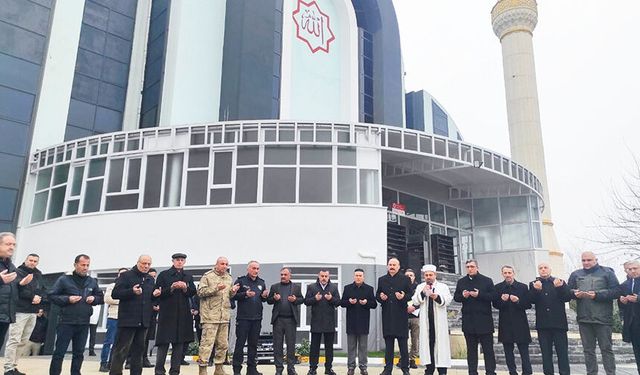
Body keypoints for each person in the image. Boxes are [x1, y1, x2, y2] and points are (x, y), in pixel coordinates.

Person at [48, 254, 104, 375]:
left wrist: (94, 298)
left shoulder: (92, 281)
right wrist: (68, 299)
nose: (85, 267)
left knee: (79, 353)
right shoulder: (64, 280)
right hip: (66, 322)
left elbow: (101, 297)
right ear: (75, 265)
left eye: (87, 265)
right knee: (59, 353)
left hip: (84, 322)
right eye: (83, 265)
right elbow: (52, 296)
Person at [567, 251, 620, 375]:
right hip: (584, 318)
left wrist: (597, 295)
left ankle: (611, 373)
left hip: (603, 319)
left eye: (589, 260)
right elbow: (568, 292)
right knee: (588, 350)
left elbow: (617, 291)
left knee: (606, 349)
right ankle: (591, 373)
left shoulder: (607, 273)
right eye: (583, 260)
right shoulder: (576, 274)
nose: (586, 262)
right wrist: (574, 294)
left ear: (596, 259)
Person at [108, 255, 156, 375]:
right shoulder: (126, 276)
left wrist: (156, 296)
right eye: (143, 263)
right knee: (121, 351)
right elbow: (115, 294)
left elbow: (150, 299)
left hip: (143, 321)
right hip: (128, 320)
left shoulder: (150, 279)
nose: (146, 266)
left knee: (139, 352)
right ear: (137, 262)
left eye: (148, 264)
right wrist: (131, 292)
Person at [154, 253, 197, 375]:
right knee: (163, 344)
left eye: (182, 260)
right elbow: (157, 293)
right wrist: (171, 288)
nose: (179, 262)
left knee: (179, 344)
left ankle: (175, 371)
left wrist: (184, 288)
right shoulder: (164, 275)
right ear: (173, 261)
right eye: (177, 260)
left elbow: (192, 292)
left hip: (183, 314)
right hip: (167, 314)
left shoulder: (187, 276)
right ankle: (159, 371)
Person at [4, 253, 45, 375]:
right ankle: (8, 368)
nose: (32, 263)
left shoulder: (38, 274)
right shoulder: (17, 272)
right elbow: (16, 289)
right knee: (14, 339)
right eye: (30, 260)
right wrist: (32, 297)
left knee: (24, 340)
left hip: (32, 312)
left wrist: (39, 299)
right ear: (25, 260)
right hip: (20, 311)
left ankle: (14, 366)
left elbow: (41, 290)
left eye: (35, 261)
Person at [197, 257, 239, 375]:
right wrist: (216, 288)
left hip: (224, 316)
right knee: (207, 344)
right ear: (216, 264)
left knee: (223, 344)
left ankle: (219, 368)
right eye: (222, 264)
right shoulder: (207, 276)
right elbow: (200, 292)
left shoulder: (229, 278)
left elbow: (228, 295)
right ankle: (203, 369)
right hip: (210, 317)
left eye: (226, 264)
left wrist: (233, 291)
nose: (224, 266)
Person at [453, 259, 496, 375]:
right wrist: (463, 295)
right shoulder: (461, 282)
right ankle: (472, 372)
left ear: (477, 267)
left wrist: (479, 294)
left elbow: (493, 296)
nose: (470, 269)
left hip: (484, 321)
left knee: (488, 350)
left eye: (472, 266)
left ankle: (490, 372)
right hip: (469, 321)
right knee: (471, 351)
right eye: (467, 267)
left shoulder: (487, 281)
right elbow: (456, 297)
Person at [529, 263, 571, 375]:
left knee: (562, 354)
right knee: (546, 354)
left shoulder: (559, 281)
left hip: (559, 324)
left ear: (550, 269)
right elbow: (531, 300)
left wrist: (560, 288)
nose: (543, 270)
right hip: (543, 325)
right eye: (540, 268)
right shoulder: (534, 284)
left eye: (545, 267)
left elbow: (567, 298)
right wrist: (536, 290)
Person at [411, 264, 453, 375]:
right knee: (428, 346)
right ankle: (429, 370)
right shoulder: (420, 286)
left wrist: (436, 297)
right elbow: (415, 300)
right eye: (426, 275)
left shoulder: (442, 287)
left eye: (430, 275)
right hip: (426, 323)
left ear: (435, 275)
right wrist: (423, 293)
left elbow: (448, 300)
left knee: (440, 347)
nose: (428, 277)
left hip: (439, 322)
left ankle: (442, 371)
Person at [493, 265, 532, 375]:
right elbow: (495, 305)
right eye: (505, 273)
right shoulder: (498, 287)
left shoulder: (522, 287)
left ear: (513, 273)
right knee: (508, 352)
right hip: (505, 324)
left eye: (509, 273)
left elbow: (528, 304)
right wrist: (503, 300)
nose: (507, 275)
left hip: (520, 323)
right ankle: (512, 372)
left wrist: (518, 301)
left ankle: (527, 372)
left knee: (524, 351)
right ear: (502, 274)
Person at [377, 258, 412, 375]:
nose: (392, 267)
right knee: (389, 347)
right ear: (387, 266)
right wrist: (381, 297)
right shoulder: (382, 280)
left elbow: (410, 294)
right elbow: (377, 295)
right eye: (390, 264)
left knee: (403, 346)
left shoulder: (405, 279)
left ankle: (405, 369)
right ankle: (388, 369)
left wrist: (403, 297)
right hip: (387, 316)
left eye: (394, 265)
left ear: (398, 266)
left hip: (401, 317)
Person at [232, 261, 268, 375]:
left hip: (257, 319)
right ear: (248, 269)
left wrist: (264, 296)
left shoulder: (262, 282)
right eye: (253, 268)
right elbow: (233, 296)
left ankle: (252, 369)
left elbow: (262, 299)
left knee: (253, 344)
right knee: (240, 344)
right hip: (243, 319)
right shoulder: (241, 281)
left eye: (257, 268)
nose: (256, 271)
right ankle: (237, 370)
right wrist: (245, 294)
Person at [267, 267, 304, 375]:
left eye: (285, 275)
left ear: (290, 276)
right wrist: (274, 299)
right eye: (281, 274)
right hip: (278, 320)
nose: (283, 276)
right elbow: (268, 300)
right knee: (277, 345)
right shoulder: (274, 287)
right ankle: (279, 369)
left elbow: (302, 299)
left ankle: (291, 369)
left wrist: (295, 300)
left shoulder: (296, 288)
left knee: (291, 345)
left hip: (290, 320)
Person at [1, 232, 34, 353]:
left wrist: (21, 285)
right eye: (8, 244)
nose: (11, 247)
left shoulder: (11, 266)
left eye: (14, 244)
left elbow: (12, 289)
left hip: (5, 315)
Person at [341, 268, 377, 375]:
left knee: (363, 347)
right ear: (354, 276)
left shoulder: (369, 289)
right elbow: (342, 303)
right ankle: (351, 367)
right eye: (356, 275)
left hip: (363, 323)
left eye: (360, 275)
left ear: (363, 277)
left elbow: (374, 304)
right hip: (351, 323)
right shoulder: (347, 288)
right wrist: (349, 302)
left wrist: (366, 302)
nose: (358, 277)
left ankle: (363, 367)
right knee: (351, 347)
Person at [305, 269, 341, 375]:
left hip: (329, 322)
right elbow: (306, 302)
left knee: (329, 348)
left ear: (329, 277)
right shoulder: (312, 287)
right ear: (319, 276)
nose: (324, 278)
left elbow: (338, 302)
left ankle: (328, 368)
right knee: (314, 348)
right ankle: (312, 368)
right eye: (322, 276)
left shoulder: (333, 287)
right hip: (316, 322)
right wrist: (315, 299)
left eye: (326, 276)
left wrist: (331, 299)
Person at [99, 267, 128, 372]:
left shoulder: (128, 287)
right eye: (121, 273)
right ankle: (103, 363)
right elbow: (108, 299)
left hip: (124, 318)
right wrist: (124, 299)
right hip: (113, 317)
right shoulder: (112, 286)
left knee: (119, 343)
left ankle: (113, 363)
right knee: (109, 341)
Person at [618, 260, 640, 373]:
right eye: (630, 269)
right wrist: (622, 301)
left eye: (635, 268)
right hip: (634, 325)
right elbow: (621, 307)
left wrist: (638, 299)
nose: (632, 271)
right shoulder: (624, 285)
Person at [405, 269, 420, 369]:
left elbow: (421, 299)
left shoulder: (418, 288)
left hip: (415, 316)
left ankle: (412, 359)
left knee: (415, 339)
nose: (409, 277)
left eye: (411, 275)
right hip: (404, 316)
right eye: (407, 275)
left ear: (414, 277)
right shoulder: (401, 286)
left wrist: (414, 307)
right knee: (403, 339)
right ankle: (403, 358)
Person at [144, 268, 159, 367]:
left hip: (152, 316)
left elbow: (156, 298)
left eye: (154, 276)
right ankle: (130, 360)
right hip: (143, 315)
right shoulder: (144, 284)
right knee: (139, 339)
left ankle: (144, 359)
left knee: (146, 339)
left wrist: (157, 305)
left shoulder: (155, 286)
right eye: (151, 276)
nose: (153, 278)